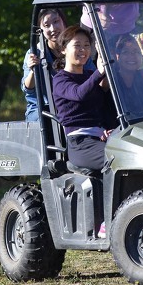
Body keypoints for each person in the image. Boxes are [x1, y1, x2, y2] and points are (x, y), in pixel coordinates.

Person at [51, 24, 116, 173]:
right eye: (77, 45)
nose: (83, 50)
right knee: (117, 159)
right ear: (63, 49)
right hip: (80, 143)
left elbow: (104, 92)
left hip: (102, 138)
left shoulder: (89, 75)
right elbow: (79, 94)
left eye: (87, 45)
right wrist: (100, 71)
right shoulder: (60, 80)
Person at [21, 8, 66, 123]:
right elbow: (28, 89)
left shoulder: (77, 48)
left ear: (63, 21)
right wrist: (33, 71)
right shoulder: (35, 52)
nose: (53, 28)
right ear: (40, 30)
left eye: (56, 21)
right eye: (47, 25)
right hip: (43, 109)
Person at [107, 32, 143, 117]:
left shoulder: (142, 75)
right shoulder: (112, 78)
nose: (131, 56)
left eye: (136, 52)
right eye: (126, 52)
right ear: (117, 56)